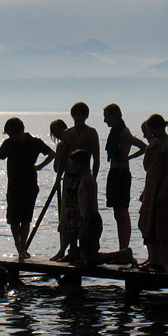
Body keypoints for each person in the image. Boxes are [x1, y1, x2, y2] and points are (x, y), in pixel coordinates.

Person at [0, 117, 55, 260]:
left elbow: (52, 154)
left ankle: (22, 249)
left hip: (29, 185)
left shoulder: (34, 142)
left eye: (11, 134)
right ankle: (20, 248)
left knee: (25, 218)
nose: (10, 137)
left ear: (19, 131)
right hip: (14, 185)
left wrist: (39, 167)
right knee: (13, 219)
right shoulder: (8, 144)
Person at [68, 149, 136, 267]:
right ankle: (122, 254)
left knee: (90, 259)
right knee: (87, 257)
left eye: (76, 164)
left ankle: (123, 254)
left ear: (84, 164)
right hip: (88, 220)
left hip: (90, 220)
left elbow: (89, 205)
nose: (73, 167)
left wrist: (84, 227)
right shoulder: (86, 179)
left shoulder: (87, 180)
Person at [51, 103, 100, 261]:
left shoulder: (91, 133)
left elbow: (97, 158)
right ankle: (72, 250)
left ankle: (82, 249)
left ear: (85, 116)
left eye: (81, 115)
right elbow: (64, 157)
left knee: (84, 212)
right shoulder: (68, 134)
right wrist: (58, 179)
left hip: (84, 177)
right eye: (76, 115)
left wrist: (93, 178)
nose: (79, 118)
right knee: (70, 215)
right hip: (70, 177)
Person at [138, 114, 168, 271]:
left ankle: (163, 261)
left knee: (163, 225)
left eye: (151, 130)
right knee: (149, 224)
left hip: (164, 187)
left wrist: (164, 192)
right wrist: (149, 148)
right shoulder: (154, 143)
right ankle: (154, 260)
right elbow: (146, 166)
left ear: (157, 128)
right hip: (151, 186)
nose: (150, 134)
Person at [103, 103, 146, 252]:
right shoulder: (115, 132)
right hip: (114, 173)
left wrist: (128, 158)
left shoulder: (123, 133)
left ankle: (125, 248)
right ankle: (121, 247)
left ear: (115, 116)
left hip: (121, 174)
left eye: (107, 117)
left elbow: (143, 147)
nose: (105, 120)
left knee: (122, 211)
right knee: (117, 212)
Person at [49, 119, 69, 260]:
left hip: (73, 180)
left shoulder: (67, 144)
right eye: (55, 133)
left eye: (59, 131)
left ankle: (65, 250)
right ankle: (64, 249)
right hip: (67, 180)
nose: (58, 135)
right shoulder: (61, 146)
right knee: (65, 216)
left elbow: (59, 166)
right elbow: (57, 167)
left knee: (69, 217)